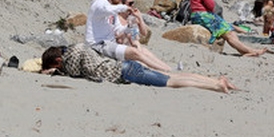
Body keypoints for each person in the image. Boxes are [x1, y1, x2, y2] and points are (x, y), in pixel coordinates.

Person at [40, 43, 236, 93]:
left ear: (58, 60)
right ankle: (214, 80)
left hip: (125, 73)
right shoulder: (78, 47)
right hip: (126, 66)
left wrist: (56, 72)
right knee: (174, 74)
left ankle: (217, 87)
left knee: (172, 82)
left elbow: (73, 72)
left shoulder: (72, 58)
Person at [86, 0, 171, 71]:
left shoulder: (113, 12)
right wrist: (125, 7)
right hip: (98, 45)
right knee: (135, 52)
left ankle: (167, 69)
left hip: (109, 44)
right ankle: (162, 72)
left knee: (142, 51)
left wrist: (130, 26)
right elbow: (106, 9)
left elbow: (119, 30)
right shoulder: (99, 1)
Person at [189, 0, 268, 57]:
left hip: (201, 14)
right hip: (201, 15)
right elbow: (210, 5)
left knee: (230, 30)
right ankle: (251, 51)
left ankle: (246, 51)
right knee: (227, 33)